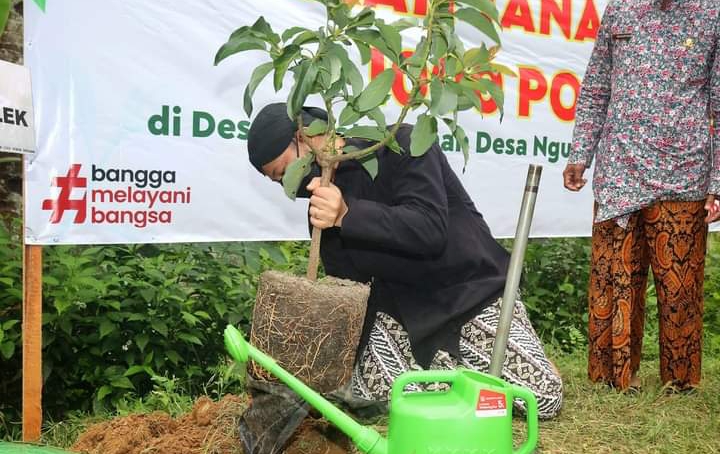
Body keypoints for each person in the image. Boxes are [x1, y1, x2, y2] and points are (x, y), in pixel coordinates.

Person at [246, 102, 563, 420]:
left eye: (284, 171)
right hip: (402, 316)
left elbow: (429, 230)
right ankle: (453, 377)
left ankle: (501, 366)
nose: (287, 183)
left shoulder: (405, 144)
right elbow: (352, 293)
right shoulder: (320, 207)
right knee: (371, 398)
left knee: (543, 399)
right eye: (278, 181)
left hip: (468, 293)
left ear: (304, 136)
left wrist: (348, 215)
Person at [564, 0, 720, 391]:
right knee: (612, 279)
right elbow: (597, 86)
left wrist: (717, 180)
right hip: (620, 169)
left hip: (683, 172)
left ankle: (680, 382)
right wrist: (580, 154)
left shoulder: (712, 13)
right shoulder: (621, 8)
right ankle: (611, 378)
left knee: (680, 287)